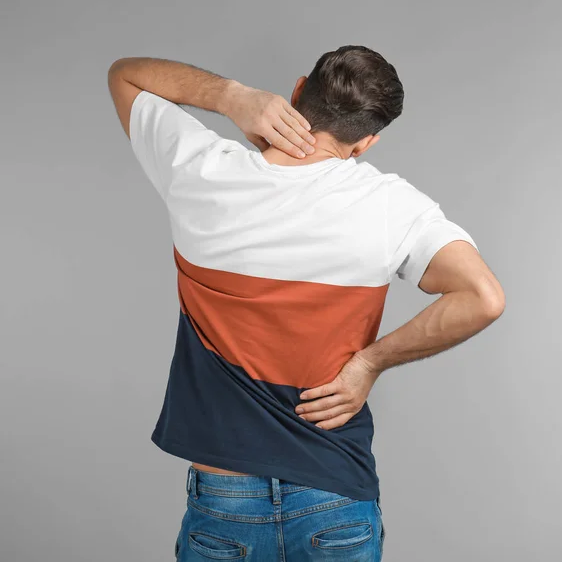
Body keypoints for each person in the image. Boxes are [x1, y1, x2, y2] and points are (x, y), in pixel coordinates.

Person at [108, 45, 505, 561]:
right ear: (365, 142)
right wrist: (370, 363)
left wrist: (234, 97)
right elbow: (484, 297)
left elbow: (125, 76)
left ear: (297, 92)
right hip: (335, 496)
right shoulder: (390, 206)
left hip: (224, 504)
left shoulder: (203, 172)